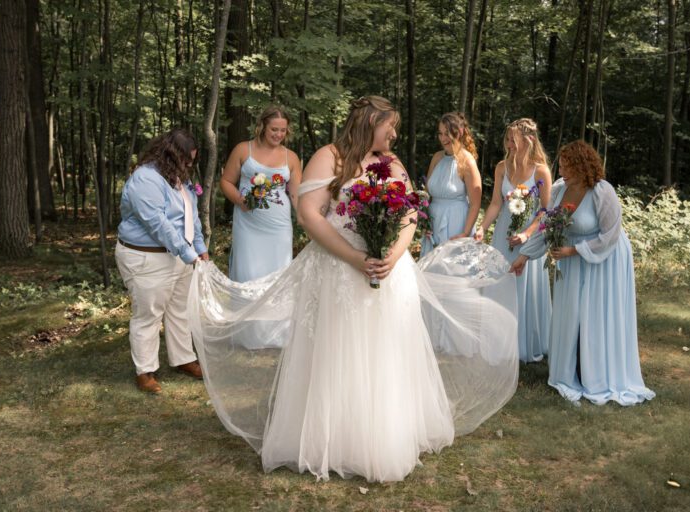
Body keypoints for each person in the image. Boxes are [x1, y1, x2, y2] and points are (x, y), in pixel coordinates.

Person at [187, 96, 519, 483]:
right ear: (370, 122)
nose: (394, 134)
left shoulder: (392, 162)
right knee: (340, 350)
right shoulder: (329, 157)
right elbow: (309, 214)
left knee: (385, 351)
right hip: (338, 270)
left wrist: (394, 254)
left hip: (389, 272)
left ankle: (385, 434)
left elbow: (410, 212)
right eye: (390, 126)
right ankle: (337, 438)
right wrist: (354, 257)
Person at [511, 140, 655, 406]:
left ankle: (598, 373)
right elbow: (547, 228)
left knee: (595, 314)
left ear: (582, 166)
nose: (561, 171)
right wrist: (524, 256)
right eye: (561, 166)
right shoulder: (559, 190)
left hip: (604, 260)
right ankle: (570, 370)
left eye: (567, 166)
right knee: (571, 314)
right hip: (572, 260)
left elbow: (610, 235)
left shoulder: (602, 191)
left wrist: (574, 250)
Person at [115, 128, 209, 393]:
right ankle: (145, 370)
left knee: (180, 310)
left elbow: (190, 215)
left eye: (191, 160)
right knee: (149, 314)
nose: (189, 165)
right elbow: (158, 224)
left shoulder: (177, 177)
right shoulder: (145, 179)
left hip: (179, 254)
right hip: (147, 257)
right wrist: (188, 253)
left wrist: (199, 247)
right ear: (170, 155)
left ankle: (183, 358)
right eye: (186, 160)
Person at [475, 118, 552, 363]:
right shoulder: (501, 167)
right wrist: (482, 227)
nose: (509, 144)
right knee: (500, 282)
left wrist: (527, 234)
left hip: (528, 237)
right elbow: (495, 203)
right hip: (503, 234)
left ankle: (523, 343)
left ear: (529, 140)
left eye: (513, 140)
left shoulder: (540, 170)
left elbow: (546, 210)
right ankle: (498, 342)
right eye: (507, 139)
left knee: (521, 288)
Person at [220, 106, 302, 283]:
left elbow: (296, 196)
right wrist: (240, 200)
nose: (278, 134)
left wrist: (307, 220)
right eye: (274, 129)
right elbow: (226, 182)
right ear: (263, 126)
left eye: (283, 130)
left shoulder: (291, 157)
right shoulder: (243, 149)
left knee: (277, 276)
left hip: (279, 225)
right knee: (247, 275)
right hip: (247, 223)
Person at [420, 112, 482, 256]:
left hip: (457, 222)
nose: (443, 138)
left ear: (459, 132)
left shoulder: (467, 160)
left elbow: (475, 203)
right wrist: (424, 221)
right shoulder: (437, 157)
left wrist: (465, 233)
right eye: (440, 133)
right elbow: (427, 194)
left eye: (447, 133)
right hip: (433, 222)